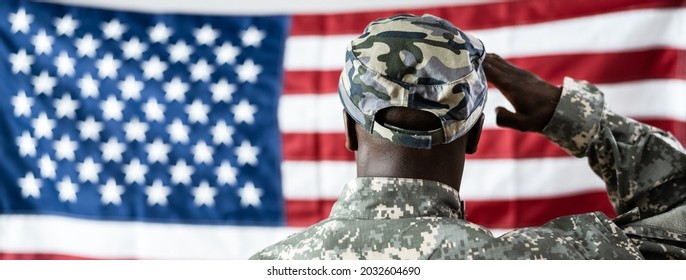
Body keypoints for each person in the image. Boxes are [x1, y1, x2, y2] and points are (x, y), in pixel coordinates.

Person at [251, 14, 686, 259]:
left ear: (349, 129)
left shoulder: (268, 267)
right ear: (476, 134)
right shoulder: (553, 261)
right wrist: (574, 118)